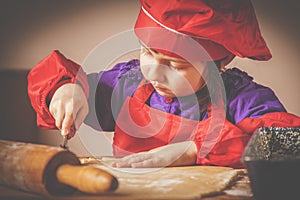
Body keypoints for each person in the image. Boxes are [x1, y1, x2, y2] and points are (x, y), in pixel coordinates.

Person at [28, 0, 300, 169]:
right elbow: (66, 82)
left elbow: (288, 143)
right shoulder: (126, 86)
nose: (153, 73)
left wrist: (195, 149)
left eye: (176, 65)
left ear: (218, 65)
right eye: (147, 52)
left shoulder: (243, 99)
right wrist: (64, 88)